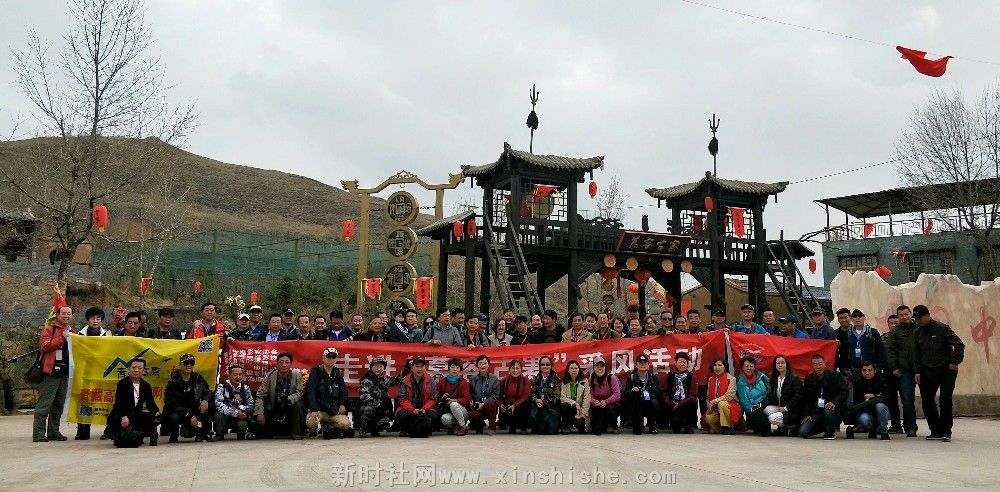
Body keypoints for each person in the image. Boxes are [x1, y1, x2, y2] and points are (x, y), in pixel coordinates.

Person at [913, 304, 964, 442]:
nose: (918, 321)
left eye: (920, 318)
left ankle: (946, 430)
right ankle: (935, 430)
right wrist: (917, 371)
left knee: (945, 400)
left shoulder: (942, 329)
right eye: (916, 318)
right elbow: (916, 353)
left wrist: (955, 362)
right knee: (927, 401)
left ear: (927, 315)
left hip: (946, 370)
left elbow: (959, 344)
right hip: (927, 370)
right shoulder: (917, 332)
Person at [33, 305, 73, 442]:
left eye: (69, 313)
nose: (66, 316)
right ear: (58, 315)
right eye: (64, 313)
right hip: (50, 372)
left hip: (65, 373)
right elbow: (44, 346)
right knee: (44, 404)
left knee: (58, 405)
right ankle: (38, 434)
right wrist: (62, 337)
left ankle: (53, 432)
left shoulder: (72, 331)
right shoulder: (50, 329)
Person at [108, 358, 160, 446]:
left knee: (155, 417)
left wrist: (156, 412)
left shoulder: (146, 385)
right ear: (129, 369)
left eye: (139, 368)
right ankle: (119, 434)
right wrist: (123, 416)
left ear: (144, 370)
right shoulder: (122, 383)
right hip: (123, 414)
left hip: (136, 414)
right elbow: (118, 403)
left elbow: (150, 403)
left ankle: (143, 434)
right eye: (134, 367)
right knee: (117, 420)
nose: (136, 370)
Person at [74, 307, 109, 440]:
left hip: (101, 372)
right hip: (84, 372)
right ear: (88, 320)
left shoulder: (107, 336)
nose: (95, 321)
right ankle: (83, 429)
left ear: (101, 321)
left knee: (103, 400)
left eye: (98, 318)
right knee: (85, 400)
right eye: (93, 318)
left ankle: (107, 429)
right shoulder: (79, 335)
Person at [163, 353, 213, 443]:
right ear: (180, 364)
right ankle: (173, 435)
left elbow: (208, 392)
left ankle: (203, 434)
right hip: (178, 410)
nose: (189, 365)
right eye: (186, 363)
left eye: (191, 363)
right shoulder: (173, 381)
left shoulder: (198, 378)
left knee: (208, 407)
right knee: (173, 417)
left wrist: (205, 400)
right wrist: (189, 415)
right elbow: (171, 403)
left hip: (194, 408)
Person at [254, 352, 305, 439]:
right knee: (262, 410)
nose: (284, 365)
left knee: (298, 404)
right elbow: (260, 396)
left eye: (287, 362)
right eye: (281, 362)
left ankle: (296, 432)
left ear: (291, 364)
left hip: (289, 405)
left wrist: (289, 398)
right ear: (277, 364)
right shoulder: (270, 376)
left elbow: (300, 393)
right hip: (273, 406)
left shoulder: (297, 376)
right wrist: (259, 413)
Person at [886, 305, 920, 437]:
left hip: (922, 369)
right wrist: (894, 367)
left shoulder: (919, 327)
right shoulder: (895, 332)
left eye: (906, 314)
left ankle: (935, 429)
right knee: (907, 400)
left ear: (910, 314)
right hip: (905, 369)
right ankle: (910, 427)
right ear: (898, 317)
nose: (904, 317)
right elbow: (891, 351)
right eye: (901, 315)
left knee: (928, 399)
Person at [306, 347, 353, 439]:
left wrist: (342, 404)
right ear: (323, 358)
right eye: (328, 356)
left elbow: (344, 391)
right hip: (319, 411)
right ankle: (315, 428)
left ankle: (329, 426)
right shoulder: (315, 372)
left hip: (333, 411)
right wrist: (313, 409)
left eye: (333, 357)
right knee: (311, 422)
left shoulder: (337, 372)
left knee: (346, 424)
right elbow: (311, 391)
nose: (331, 359)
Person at [798, 354, 847, 440]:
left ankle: (831, 432)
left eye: (820, 364)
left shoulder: (836, 376)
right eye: (815, 364)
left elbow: (844, 392)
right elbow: (807, 399)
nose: (818, 367)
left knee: (828, 410)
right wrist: (807, 414)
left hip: (834, 410)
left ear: (825, 364)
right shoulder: (809, 379)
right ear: (812, 366)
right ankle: (824, 428)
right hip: (818, 411)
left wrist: (834, 402)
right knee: (803, 432)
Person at [846, 361, 890, 440]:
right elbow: (856, 403)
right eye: (864, 370)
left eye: (870, 370)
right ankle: (872, 430)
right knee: (864, 418)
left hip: (882, 412)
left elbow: (887, 398)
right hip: (865, 412)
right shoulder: (857, 383)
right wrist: (875, 398)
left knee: (880, 406)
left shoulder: (882, 381)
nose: (867, 373)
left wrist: (873, 396)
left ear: (875, 371)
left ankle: (884, 432)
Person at [395, 356, 438, 437]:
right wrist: (412, 410)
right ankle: (405, 429)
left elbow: (433, 398)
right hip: (409, 409)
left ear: (425, 368)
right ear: (412, 367)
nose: (419, 369)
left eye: (422, 366)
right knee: (402, 415)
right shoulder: (405, 380)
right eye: (417, 366)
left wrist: (424, 409)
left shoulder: (430, 380)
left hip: (425, 409)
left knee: (434, 416)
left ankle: (426, 428)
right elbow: (401, 398)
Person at [763, 355, 802, 436]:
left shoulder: (795, 379)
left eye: (782, 363)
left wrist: (785, 408)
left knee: (772, 418)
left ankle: (793, 426)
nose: (780, 365)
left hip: (792, 410)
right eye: (778, 363)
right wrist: (762, 405)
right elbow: (770, 396)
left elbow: (798, 398)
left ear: (786, 364)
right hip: (780, 407)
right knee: (766, 410)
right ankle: (783, 428)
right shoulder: (773, 379)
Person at [355, 357, 395, 438]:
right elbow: (364, 396)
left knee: (383, 426)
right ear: (371, 367)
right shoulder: (366, 380)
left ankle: (374, 428)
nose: (378, 369)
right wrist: (378, 404)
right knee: (369, 408)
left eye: (381, 366)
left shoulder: (385, 379)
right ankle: (363, 429)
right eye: (376, 366)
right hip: (368, 408)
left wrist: (407, 367)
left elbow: (398, 380)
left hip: (380, 410)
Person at [214, 364, 254, 440]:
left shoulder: (245, 388)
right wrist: (235, 413)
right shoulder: (222, 387)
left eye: (240, 375)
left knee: (242, 425)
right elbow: (218, 404)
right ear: (229, 376)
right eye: (235, 375)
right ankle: (219, 435)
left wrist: (243, 411)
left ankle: (241, 435)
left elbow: (250, 404)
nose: (238, 377)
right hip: (225, 415)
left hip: (240, 416)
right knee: (218, 415)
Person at [840, 310, 886, 374]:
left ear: (864, 318)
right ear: (851, 319)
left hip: (870, 369)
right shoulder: (848, 333)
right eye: (855, 316)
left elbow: (881, 350)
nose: (857, 318)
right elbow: (845, 352)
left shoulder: (872, 332)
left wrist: (878, 366)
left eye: (860, 316)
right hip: (854, 369)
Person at [624, 354, 660, 434]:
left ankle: (652, 425)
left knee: (655, 403)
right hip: (636, 404)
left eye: (645, 363)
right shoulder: (631, 377)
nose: (642, 365)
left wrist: (643, 396)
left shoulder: (653, 377)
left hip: (648, 403)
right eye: (640, 363)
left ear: (648, 364)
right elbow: (626, 392)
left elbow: (656, 392)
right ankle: (636, 425)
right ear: (636, 365)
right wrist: (633, 390)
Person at [662, 352, 697, 433]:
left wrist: (680, 404)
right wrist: (670, 403)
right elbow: (664, 392)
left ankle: (688, 425)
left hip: (685, 404)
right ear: (676, 363)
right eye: (680, 362)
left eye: (684, 362)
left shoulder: (692, 377)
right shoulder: (670, 376)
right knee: (676, 429)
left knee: (691, 402)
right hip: (673, 404)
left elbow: (693, 395)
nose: (682, 364)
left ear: (687, 364)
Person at [736, 356, 771, 436]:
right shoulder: (740, 381)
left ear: (754, 367)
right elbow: (743, 400)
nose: (749, 368)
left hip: (764, 403)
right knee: (756, 418)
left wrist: (764, 403)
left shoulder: (762, 377)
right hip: (751, 408)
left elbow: (770, 390)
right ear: (742, 368)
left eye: (751, 366)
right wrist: (752, 408)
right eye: (746, 366)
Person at [436, 358, 471, 436]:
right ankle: (454, 427)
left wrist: (454, 400)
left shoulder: (463, 382)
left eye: (457, 367)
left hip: (463, 412)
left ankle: (463, 427)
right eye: (452, 367)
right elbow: (436, 396)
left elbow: (467, 399)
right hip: (449, 411)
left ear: (460, 369)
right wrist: (443, 397)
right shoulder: (442, 382)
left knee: (453, 404)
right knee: (444, 419)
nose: (455, 369)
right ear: (449, 368)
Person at [704, 358, 740, 434]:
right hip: (715, 407)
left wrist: (714, 401)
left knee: (722, 404)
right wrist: (709, 406)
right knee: (709, 418)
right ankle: (722, 429)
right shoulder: (711, 379)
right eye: (715, 365)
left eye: (720, 365)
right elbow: (708, 396)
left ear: (725, 367)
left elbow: (729, 396)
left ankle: (728, 427)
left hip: (730, 406)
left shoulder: (731, 379)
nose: (717, 367)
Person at [588, 357, 621, 435]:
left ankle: (614, 425)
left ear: (605, 368)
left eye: (602, 366)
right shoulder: (590, 379)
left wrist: (606, 401)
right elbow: (588, 395)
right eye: (597, 366)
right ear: (593, 368)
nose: (599, 368)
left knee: (610, 409)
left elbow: (617, 394)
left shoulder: (611, 378)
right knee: (597, 431)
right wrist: (594, 402)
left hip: (610, 404)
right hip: (597, 406)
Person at [530, 355, 562, 435]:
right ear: (539, 366)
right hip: (538, 405)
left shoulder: (556, 379)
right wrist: (536, 400)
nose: (545, 366)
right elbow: (533, 393)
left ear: (551, 366)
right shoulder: (536, 378)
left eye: (547, 364)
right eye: (543, 364)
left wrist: (544, 402)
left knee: (550, 430)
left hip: (551, 407)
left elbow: (556, 397)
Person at [468, 355, 500, 434]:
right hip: (477, 406)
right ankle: (479, 425)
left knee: (490, 404)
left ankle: (492, 427)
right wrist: (471, 402)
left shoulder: (494, 379)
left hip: (490, 407)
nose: (482, 365)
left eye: (485, 363)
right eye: (480, 363)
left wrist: (484, 403)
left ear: (488, 365)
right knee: (473, 414)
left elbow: (496, 396)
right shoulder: (473, 379)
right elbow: (470, 394)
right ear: (477, 365)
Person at [498, 359, 532, 434]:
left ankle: (523, 427)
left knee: (527, 402)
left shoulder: (525, 380)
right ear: (509, 370)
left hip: (520, 406)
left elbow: (527, 395)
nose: (515, 370)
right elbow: (499, 396)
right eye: (513, 368)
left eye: (517, 368)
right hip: (508, 406)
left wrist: (515, 405)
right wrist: (501, 405)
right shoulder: (504, 380)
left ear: (521, 369)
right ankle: (511, 425)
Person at [559, 360, 590, 433]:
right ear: (568, 370)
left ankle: (577, 422)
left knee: (580, 426)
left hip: (580, 410)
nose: (574, 370)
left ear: (579, 369)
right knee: (564, 405)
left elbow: (587, 398)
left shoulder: (584, 381)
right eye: (571, 368)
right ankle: (566, 426)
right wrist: (574, 403)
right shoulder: (564, 381)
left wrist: (582, 413)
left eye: (576, 368)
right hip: (570, 408)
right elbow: (562, 397)